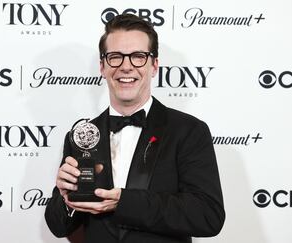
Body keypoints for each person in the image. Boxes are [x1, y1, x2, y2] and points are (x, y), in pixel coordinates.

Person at [45, 14, 225, 243]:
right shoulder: (83, 136)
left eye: (138, 57)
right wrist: (64, 197)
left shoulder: (189, 131)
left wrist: (124, 202)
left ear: (154, 65)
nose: (126, 67)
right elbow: (58, 226)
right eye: (115, 57)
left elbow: (208, 215)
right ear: (102, 66)